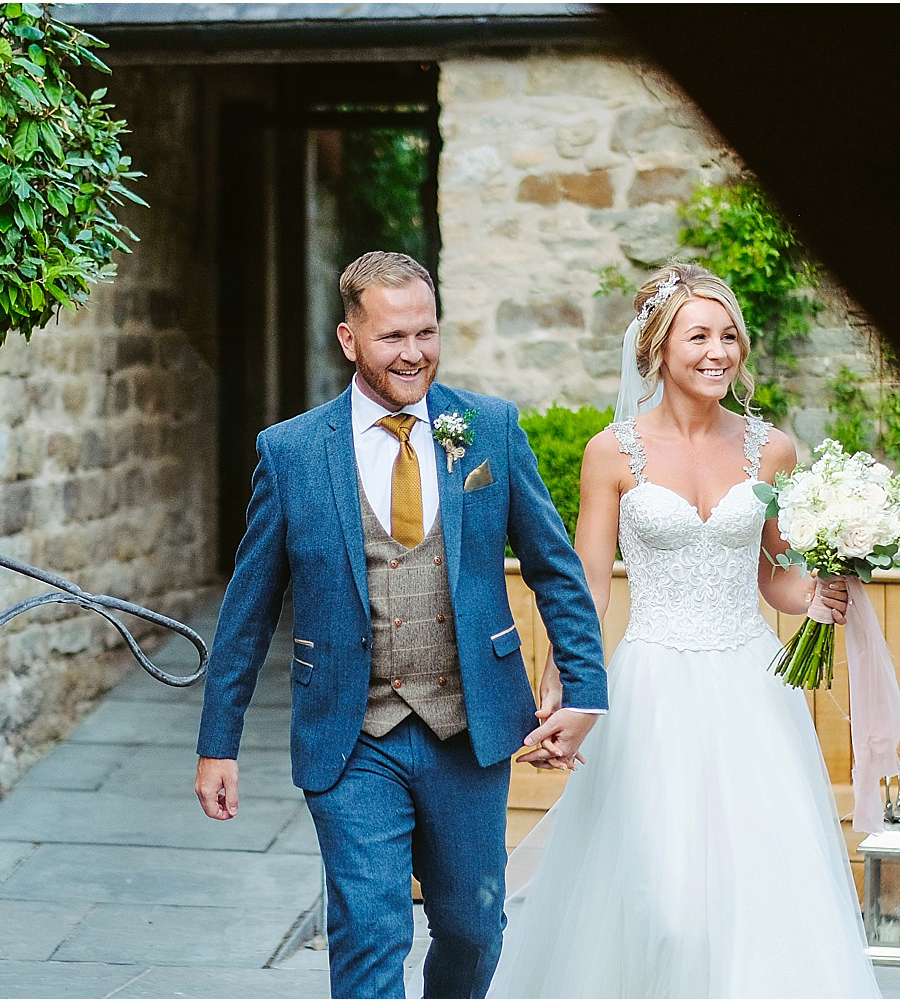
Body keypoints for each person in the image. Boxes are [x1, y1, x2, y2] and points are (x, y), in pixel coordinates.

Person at [194, 251, 608, 999]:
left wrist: (584, 689)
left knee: (474, 930)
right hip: (350, 735)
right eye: (392, 337)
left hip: (469, 727)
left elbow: (556, 568)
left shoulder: (488, 428)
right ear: (350, 339)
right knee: (371, 929)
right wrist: (217, 741)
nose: (413, 352)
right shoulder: (290, 453)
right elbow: (248, 607)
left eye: (426, 332)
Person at [487, 262, 881, 998]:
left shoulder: (774, 450)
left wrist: (817, 595)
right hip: (653, 687)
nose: (718, 351)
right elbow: (587, 585)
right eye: (698, 335)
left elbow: (775, 572)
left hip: (750, 688)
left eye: (729, 335)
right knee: (662, 902)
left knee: (761, 893)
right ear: (657, 351)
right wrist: (565, 682)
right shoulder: (612, 453)